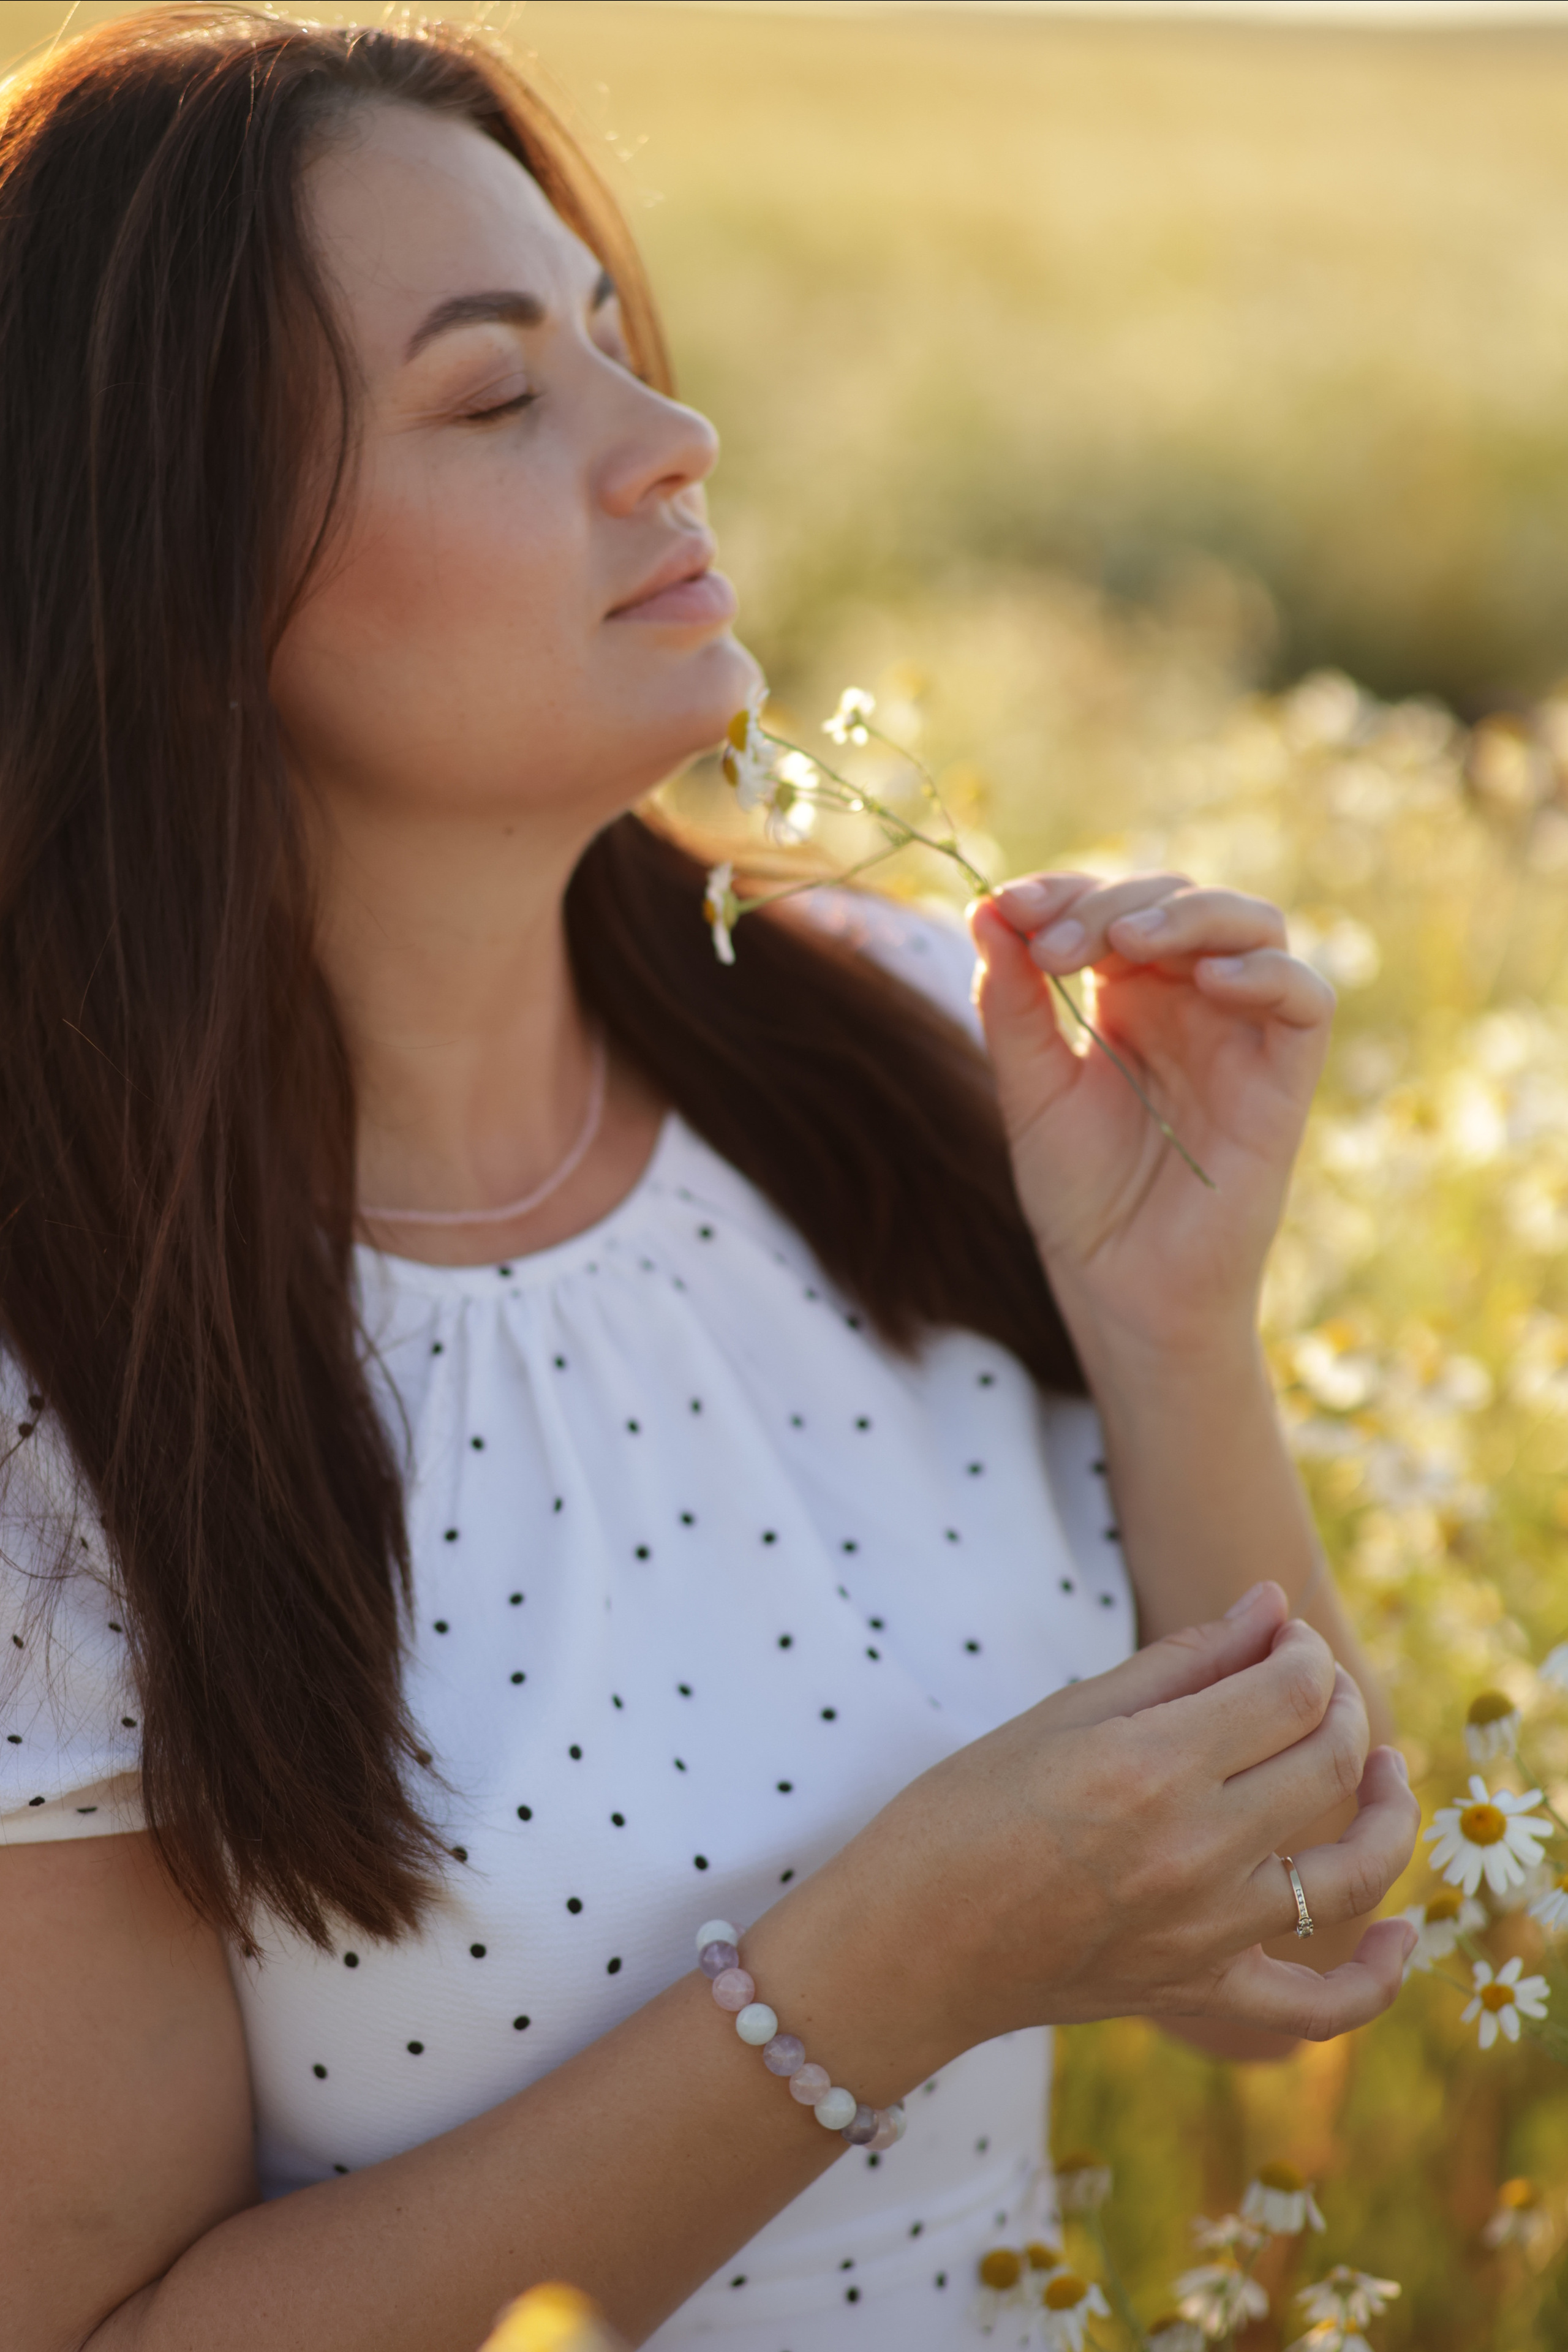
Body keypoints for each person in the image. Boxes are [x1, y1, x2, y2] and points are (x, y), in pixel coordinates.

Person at [0, 12, 1419, 2352]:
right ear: (172, 581)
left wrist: (1172, 1327)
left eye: (615, 341)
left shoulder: (882, 1040)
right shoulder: (61, 1366)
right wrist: (883, 1971)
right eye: (495, 397)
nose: (675, 446)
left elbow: (1303, 1961)